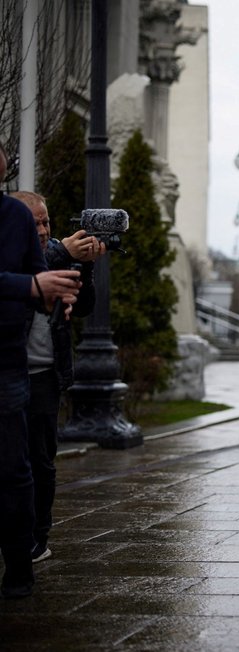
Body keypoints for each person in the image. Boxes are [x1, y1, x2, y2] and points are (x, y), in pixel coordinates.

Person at [0, 143, 81, 598]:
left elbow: (37, 273)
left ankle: (22, 562)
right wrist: (32, 284)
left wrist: (57, 294)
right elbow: (31, 277)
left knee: (21, 466)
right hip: (17, 361)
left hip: (12, 359)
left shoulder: (12, 218)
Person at [12, 191, 103, 565]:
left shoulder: (56, 253)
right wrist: (64, 253)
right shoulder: (12, 256)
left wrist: (86, 266)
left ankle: (38, 537)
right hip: (12, 371)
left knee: (42, 461)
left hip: (46, 373)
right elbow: (26, 281)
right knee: (14, 463)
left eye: (46, 220)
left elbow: (83, 305)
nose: (43, 229)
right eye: (34, 222)